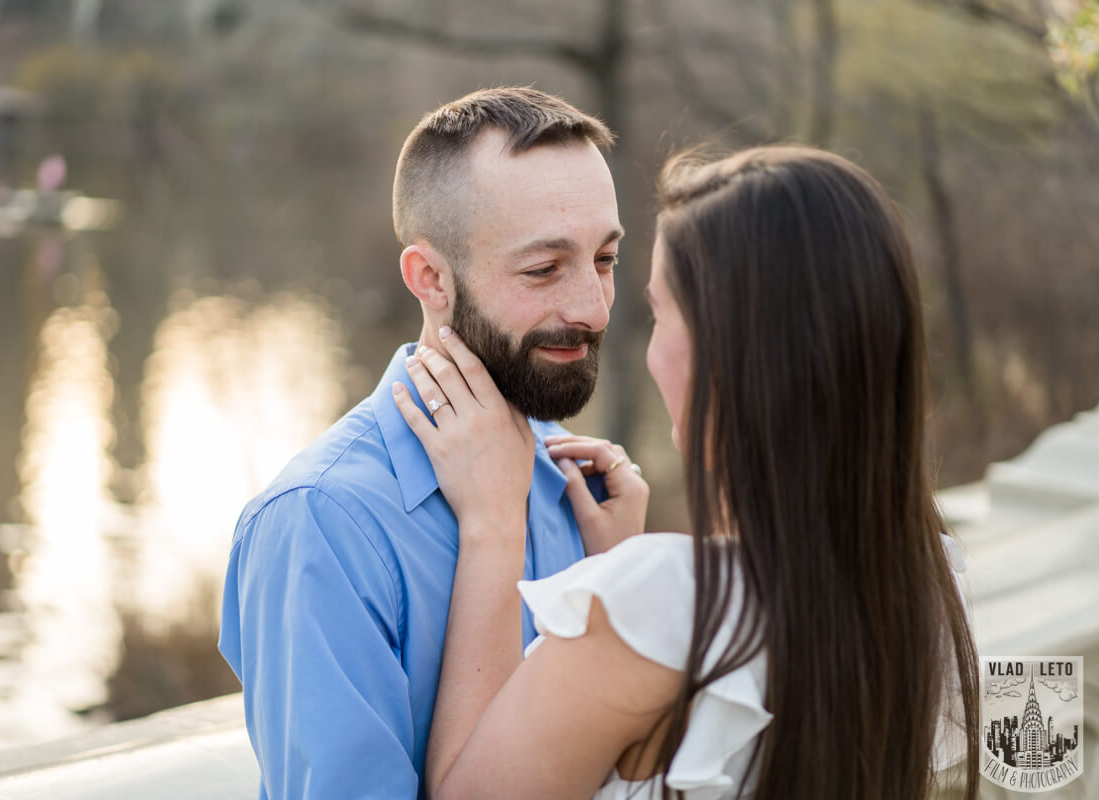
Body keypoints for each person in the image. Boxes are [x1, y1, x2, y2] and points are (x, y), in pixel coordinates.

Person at [395, 145, 981, 799]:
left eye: (659, 314)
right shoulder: (928, 587)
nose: (597, 315)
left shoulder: (659, 605)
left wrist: (493, 522)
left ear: (729, 357)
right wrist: (616, 563)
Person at [218, 87, 649, 799]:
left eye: (604, 259)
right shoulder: (319, 525)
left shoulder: (585, 493)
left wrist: (617, 577)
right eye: (544, 269)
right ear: (431, 280)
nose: (593, 308)